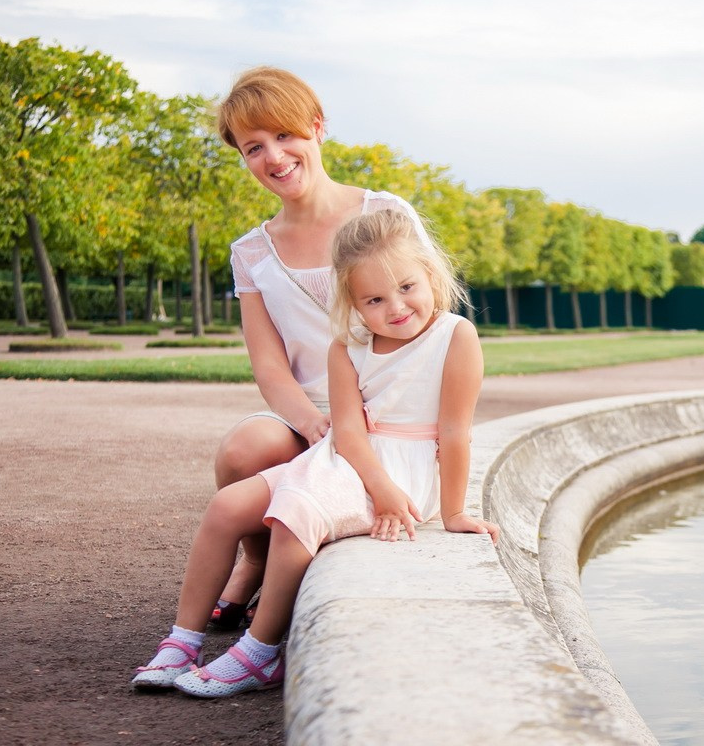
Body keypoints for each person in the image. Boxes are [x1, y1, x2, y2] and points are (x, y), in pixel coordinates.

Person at [133, 206, 500, 698]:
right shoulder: (347, 347)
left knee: (293, 513)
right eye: (374, 298)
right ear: (352, 301)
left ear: (430, 275)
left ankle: (260, 651)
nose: (395, 307)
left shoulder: (454, 335)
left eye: (407, 288)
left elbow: (455, 432)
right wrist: (378, 485)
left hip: (408, 473)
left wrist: (452, 511)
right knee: (225, 508)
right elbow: (347, 434)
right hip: (348, 460)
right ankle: (183, 641)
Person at [208, 66, 429, 630]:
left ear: (317, 128)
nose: (274, 157)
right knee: (242, 450)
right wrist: (310, 422)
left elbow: (427, 320)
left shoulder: (385, 214)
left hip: (383, 403)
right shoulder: (251, 252)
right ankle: (254, 562)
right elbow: (269, 364)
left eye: (285, 136)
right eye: (253, 148)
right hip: (309, 408)